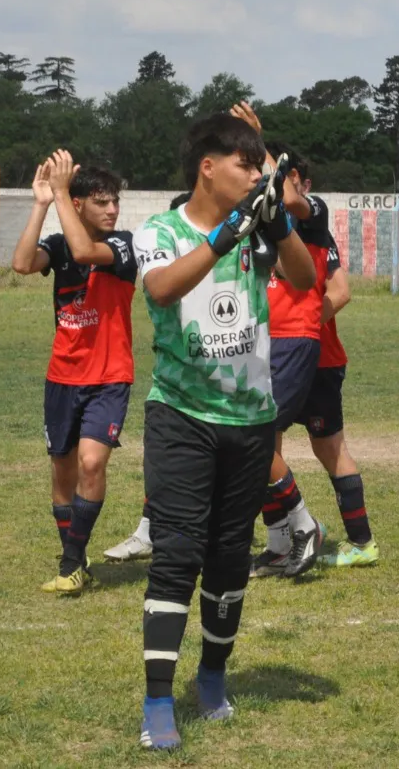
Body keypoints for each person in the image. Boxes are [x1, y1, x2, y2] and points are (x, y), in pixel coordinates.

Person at [133, 113, 315, 750]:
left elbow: (304, 280)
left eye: (257, 166)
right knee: (178, 554)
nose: (253, 175)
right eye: (244, 164)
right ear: (207, 166)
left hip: (249, 420)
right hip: (181, 415)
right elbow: (160, 288)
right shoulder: (160, 229)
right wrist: (224, 234)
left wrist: (278, 221)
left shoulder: (258, 227)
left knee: (230, 557)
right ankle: (159, 701)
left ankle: (212, 679)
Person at [10, 154, 135, 595]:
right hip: (62, 378)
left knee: (90, 462)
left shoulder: (124, 246)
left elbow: (86, 251)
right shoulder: (60, 246)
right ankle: (77, 562)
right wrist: (43, 202)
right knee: (63, 472)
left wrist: (62, 192)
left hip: (110, 377)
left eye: (115, 201)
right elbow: (22, 264)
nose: (113, 210)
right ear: (79, 204)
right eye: (102, 202)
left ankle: (68, 565)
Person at [262, 142, 379, 570]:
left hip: (315, 355)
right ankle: (282, 540)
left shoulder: (315, 228)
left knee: (322, 448)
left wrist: (308, 318)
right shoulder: (267, 226)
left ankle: (352, 539)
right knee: (268, 444)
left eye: (288, 180)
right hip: (283, 348)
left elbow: (341, 292)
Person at [105, 190, 195, 564]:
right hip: (173, 382)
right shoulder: (160, 254)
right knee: (160, 461)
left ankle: (290, 523)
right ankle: (148, 531)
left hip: (221, 388)